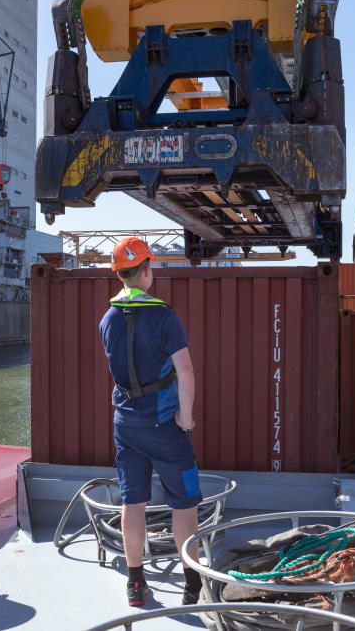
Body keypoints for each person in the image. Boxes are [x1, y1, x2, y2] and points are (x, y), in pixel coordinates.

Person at [99, 237, 203, 607]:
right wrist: (186, 418)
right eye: (151, 266)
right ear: (145, 270)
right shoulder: (164, 316)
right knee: (184, 503)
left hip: (125, 424)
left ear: (119, 275)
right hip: (164, 425)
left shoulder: (107, 319)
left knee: (133, 502)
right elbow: (185, 373)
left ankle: (135, 584)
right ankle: (192, 585)